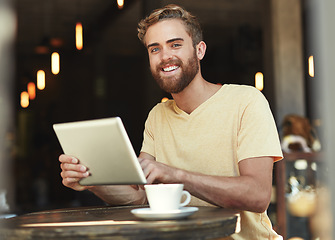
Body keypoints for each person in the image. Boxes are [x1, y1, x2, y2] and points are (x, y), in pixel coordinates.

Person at [59, 4, 283, 239]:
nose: (165, 56)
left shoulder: (246, 101)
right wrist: (91, 178)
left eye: (175, 44)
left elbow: (257, 195)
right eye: (154, 49)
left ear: (200, 50)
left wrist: (176, 175)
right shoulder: (157, 116)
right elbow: (140, 196)